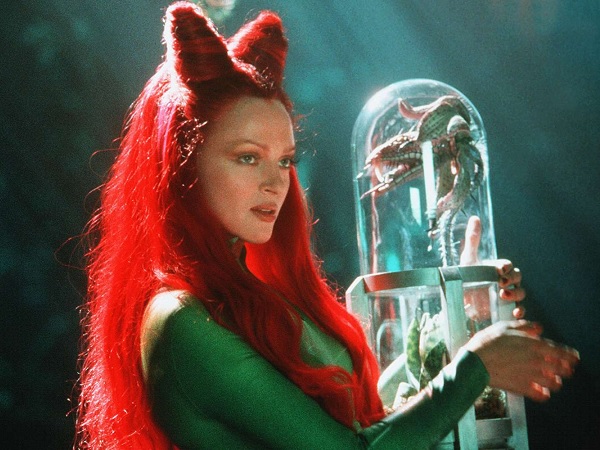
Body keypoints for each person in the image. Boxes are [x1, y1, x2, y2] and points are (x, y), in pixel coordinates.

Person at [75, 2, 579, 449]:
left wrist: (460, 314)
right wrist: (477, 365)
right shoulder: (182, 321)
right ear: (183, 164)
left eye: (285, 160)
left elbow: (374, 418)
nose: (275, 182)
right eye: (248, 157)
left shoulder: (258, 297)